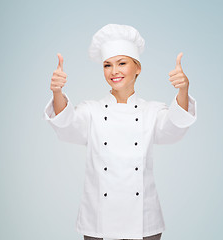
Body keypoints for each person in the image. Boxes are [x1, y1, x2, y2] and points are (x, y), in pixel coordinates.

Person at [43, 24, 197, 240]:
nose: (114, 71)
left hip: (144, 222)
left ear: (138, 68)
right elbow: (66, 124)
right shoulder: (92, 110)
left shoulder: (152, 110)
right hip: (99, 222)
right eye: (107, 65)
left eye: (122, 63)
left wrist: (183, 90)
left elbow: (174, 128)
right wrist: (57, 91)